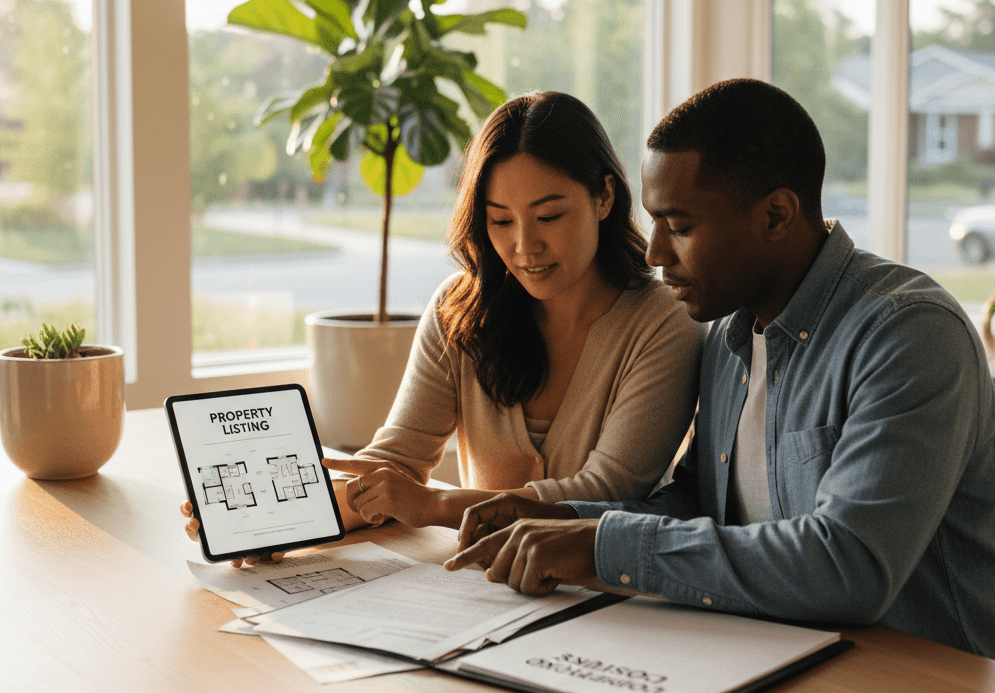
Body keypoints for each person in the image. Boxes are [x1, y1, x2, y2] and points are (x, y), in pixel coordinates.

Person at [447, 78, 995, 668]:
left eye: (681, 226)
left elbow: (851, 565)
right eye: (654, 222)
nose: (654, 253)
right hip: (791, 666)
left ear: (776, 215)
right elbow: (701, 503)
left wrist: (601, 545)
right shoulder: (728, 335)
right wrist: (560, 520)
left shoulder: (908, 333)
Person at [183, 90, 704, 563]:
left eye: (549, 217)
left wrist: (434, 505)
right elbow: (397, 464)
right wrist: (284, 517)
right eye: (501, 220)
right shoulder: (461, 309)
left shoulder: (664, 324)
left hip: (612, 600)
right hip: (482, 594)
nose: (525, 246)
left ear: (604, 198)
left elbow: (602, 493)